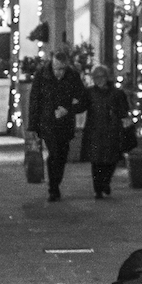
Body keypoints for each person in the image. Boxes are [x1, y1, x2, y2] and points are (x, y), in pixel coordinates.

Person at [26, 47, 88, 201]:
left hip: (65, 123)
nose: (59, 72)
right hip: (47, 122)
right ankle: (53, 188)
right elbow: (34, 100)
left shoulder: (72, 76)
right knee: (54, 152)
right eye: (57, 69)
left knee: (62, 154)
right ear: (52, 64)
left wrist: (69, 110)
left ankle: (55, 182)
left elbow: (83, 99)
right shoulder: (42, 75)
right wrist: (32, 126)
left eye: (62, 69)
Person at [81, 64, 130, 199]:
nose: (99, 80)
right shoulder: (89, 92)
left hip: (112, 130)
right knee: (96, 161)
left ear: (107, 77)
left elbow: (123, 110)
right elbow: (81, 106)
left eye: (101, 76)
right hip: (95, 130)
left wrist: (124, 120)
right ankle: (98, 188)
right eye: (96, 77)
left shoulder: (117, 93)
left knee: (111, 160)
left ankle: (106, 182)